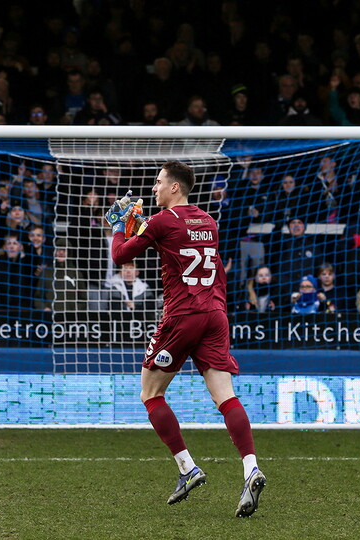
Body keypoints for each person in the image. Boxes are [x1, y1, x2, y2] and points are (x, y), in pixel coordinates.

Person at [107, 160, 265, 518]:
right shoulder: (208, 221)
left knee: (150, 393)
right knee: (225, 396)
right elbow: (177, 245)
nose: (153, 188)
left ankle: (187, 468)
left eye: (158, 182)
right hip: (216, 315)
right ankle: (250, 468)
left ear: (174, 186)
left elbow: (121, 255)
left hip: (183, 316)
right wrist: (139, 226)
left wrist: (120, 227)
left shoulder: (163, 220)